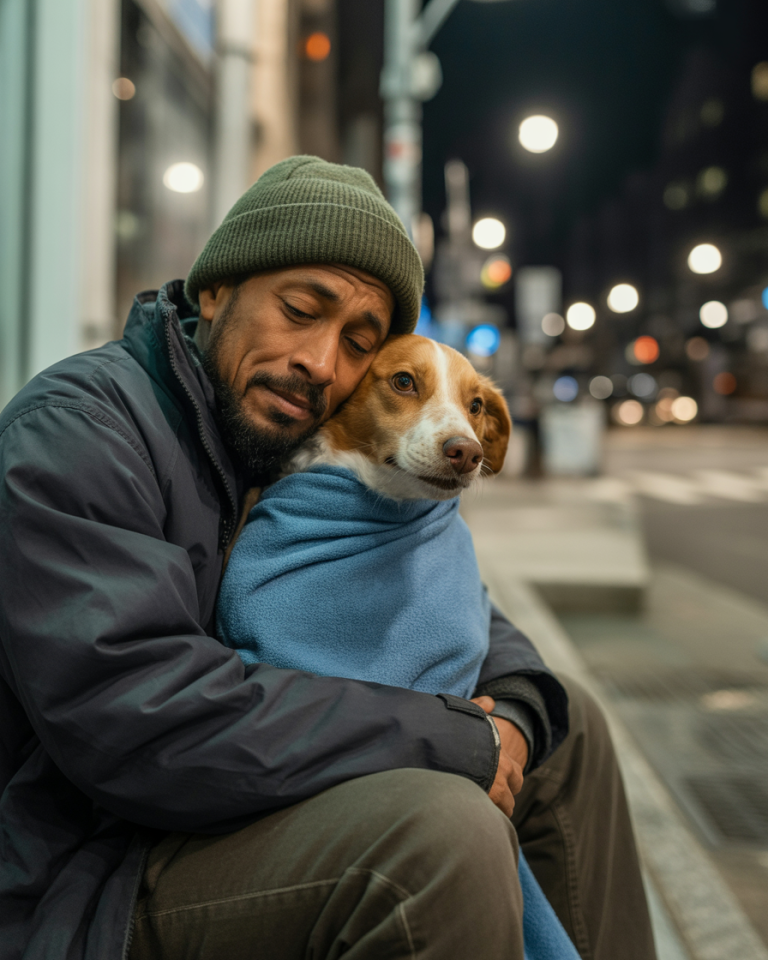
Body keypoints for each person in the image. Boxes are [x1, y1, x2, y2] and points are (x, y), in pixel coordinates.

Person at [0, 156, 656, 960]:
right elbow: (135, 720)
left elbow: (445, 599)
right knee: (440, 834)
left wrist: (514, 708)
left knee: (567, 726)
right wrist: (446, 738)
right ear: (215, 291)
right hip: (95, 865)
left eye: (357, 341)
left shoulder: (278, 432)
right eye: (300, 310)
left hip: (215, 811)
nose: (320, 362)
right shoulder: (82, 431)